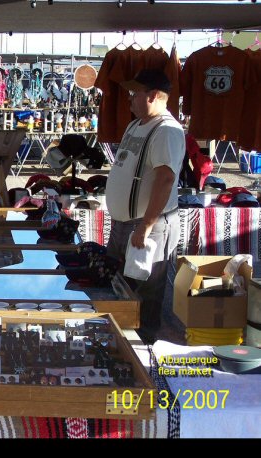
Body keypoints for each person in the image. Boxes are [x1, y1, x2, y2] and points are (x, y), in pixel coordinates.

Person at [105, 69, 185, 344]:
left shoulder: (167, 130)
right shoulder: (137, 124)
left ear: (152, 96)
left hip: (148, 226)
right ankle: (120, 342)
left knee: (146, 292)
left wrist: (145, 226)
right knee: (119, 287)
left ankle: (144, 350)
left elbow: (165, 180)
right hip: (124, 223)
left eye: (134, 94)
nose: (129, 99)